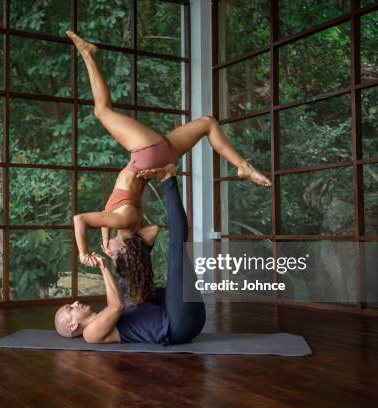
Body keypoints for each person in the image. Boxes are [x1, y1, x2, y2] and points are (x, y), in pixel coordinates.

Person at [65, 30, 270, 275]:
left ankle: (242, 165)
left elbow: (118, 224)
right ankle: (88, 54)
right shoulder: (125, 222)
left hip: (163, 157)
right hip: (147, 153)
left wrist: (110, 242)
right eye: (116, 252)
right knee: (102, 111)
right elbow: (80, 219)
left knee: (207, 122)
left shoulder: (134, 226)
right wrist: (84, 253)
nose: (110, 250)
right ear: (125, 246)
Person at [54, 166, 206, 344]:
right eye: (69, 309)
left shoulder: (105, 315)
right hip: (177, 326)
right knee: (177, 251)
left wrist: (117, 251)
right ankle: (168, 179)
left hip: (182, 314)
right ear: (73, 326)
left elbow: (150, 233)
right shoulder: (90, 333)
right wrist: (103, 267)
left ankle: (139, 244)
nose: (75, 303)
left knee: (132, 284)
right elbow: (116, 306)